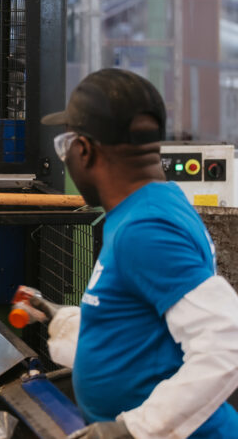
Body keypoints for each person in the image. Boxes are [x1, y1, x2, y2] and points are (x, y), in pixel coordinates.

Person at [30, 69, 238, 439]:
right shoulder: (150, 205)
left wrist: (130, 430)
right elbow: (145, 334)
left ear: (84, 150)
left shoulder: (145, 230)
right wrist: (62, 320)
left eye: (65, 148)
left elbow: (226, 337)